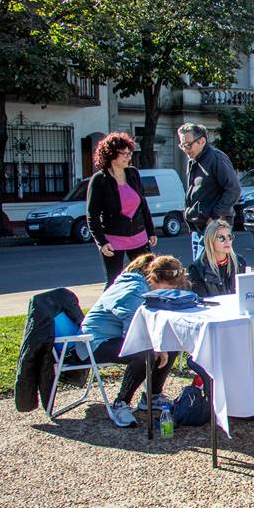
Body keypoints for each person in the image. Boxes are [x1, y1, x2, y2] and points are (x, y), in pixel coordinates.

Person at [78, 254, 187, 427]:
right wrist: (156, 347)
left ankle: (152, 395)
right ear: (153, 279)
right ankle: (121, 403)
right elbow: (132, 331)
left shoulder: (147, 287)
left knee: (170, 343)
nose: (167, 293)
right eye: (166, 288)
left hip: (115, 337)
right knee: (145, 353)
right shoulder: (133, 289)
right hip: (94, 341)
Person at [85, 133, 157, 288]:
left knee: (149, 276)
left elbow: (143, 204)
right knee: (113, 282)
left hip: (139, 236)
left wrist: (150, 231)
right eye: (123, 154)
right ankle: (107, 310)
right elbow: (93, 215)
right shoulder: (99, 180)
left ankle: (147, 309)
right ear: (111, 154)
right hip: (113, 240)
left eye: (129, 153)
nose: (128, 157)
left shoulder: (133, 173)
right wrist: (102, 242)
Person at [178, 123, 240, 263]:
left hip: (214, 227)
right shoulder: (193, 161)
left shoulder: (216, 158)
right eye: (182, 145)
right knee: (199, 269)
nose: (186, 150)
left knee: (209, 271)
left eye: (188, 145)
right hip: (198, 227)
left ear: (202, 141)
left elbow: (233, 190)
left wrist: (214, 217)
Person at [188, 219, 248, 297]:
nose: (227, 241)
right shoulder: (197, 269)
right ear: (211, 241)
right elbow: (202, 301)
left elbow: (247, 293)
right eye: (221, 238)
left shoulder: (240, 262)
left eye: (229, 237)